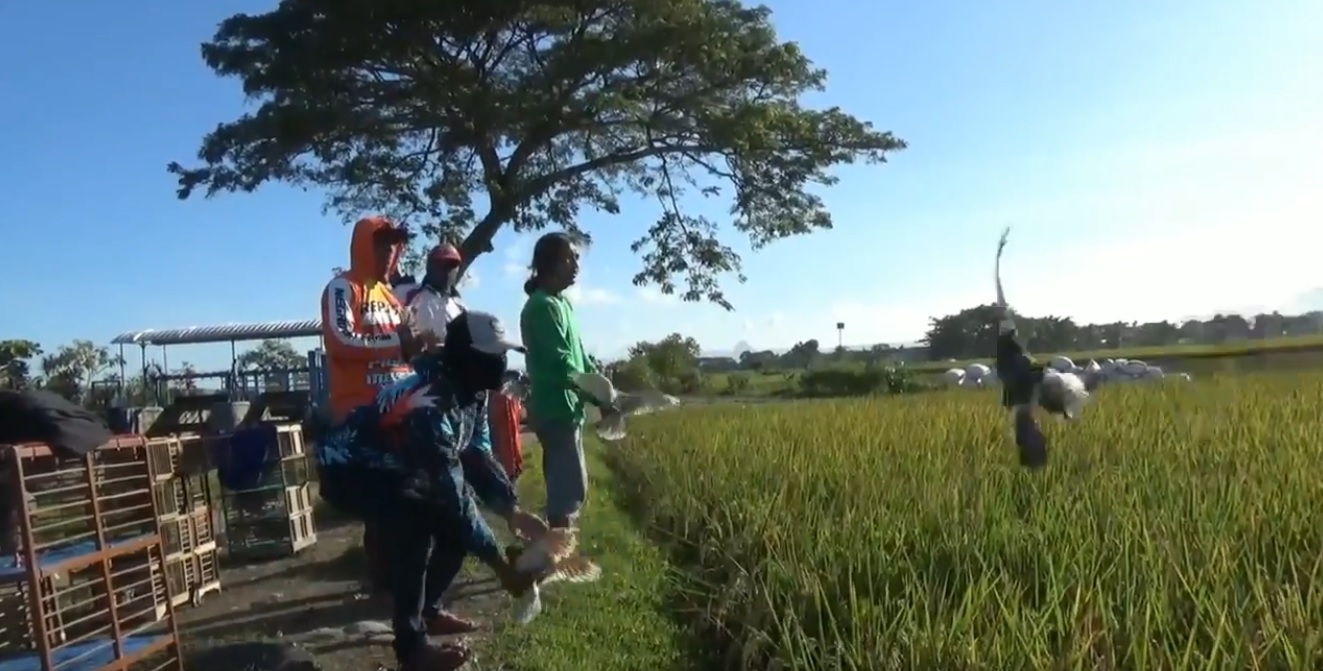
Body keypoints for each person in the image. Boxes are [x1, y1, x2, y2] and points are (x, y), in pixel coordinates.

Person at [314, 310, 534, 671]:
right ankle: (412, 649)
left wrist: (511, 508)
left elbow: (476, 453)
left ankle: (427, 610)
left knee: (447, 523)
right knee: (415, 521)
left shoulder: (471, 393)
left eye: (502, 354)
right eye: (491, 355)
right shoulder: (430, 402)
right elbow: (454, 491)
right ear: (466, 356)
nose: (500, 363)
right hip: (348, 468)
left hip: (394, 465)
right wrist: (499, 564)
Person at [319, 215, 413, 593]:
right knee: (382, 506)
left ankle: (402, 585)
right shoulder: (343, 288)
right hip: (362, 416)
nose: (389, 251)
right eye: (380, 242)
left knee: (407, 502)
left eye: (394, 244)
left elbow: (407, 349)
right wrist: (398, 345)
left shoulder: (390, 296)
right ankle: (384, 584)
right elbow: (341, 342)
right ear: (362, 245)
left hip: (401, 414)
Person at [518, 232, 616, 529]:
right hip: (554, 408)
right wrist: (597, 396)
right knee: (569, 490)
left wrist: (600, 386)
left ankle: (554, 551)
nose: (576, 264)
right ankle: (551, 557)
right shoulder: (542, 306)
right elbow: (562, 366)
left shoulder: (562, 305)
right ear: (550, 263)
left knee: (570, 485)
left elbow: (580, 357)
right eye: (570, 257)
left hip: (567, 407)